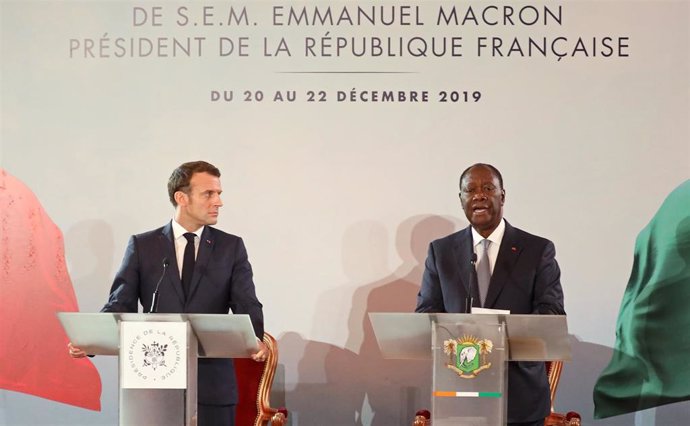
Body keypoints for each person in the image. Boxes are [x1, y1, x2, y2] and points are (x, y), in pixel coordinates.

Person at [69, 160, 267, 426]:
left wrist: (254, 338)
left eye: (219, 193)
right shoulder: (143, 246)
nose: (218, 201)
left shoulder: (230, 247)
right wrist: (91, 340)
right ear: (181, 197)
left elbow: (247, 302)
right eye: (209, 193)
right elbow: (121, 303)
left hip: (212, 388)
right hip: (153, 385)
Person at [415, 163, 565, 426]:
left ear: (502, 196)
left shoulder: (537, 250)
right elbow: (426, 314)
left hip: (520, 398)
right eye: (470, 190)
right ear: (461, 200)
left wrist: (496, 333)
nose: (479, 195)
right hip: (459, 393)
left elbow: (551, 313)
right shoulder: (441, 252)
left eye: (488, 188)